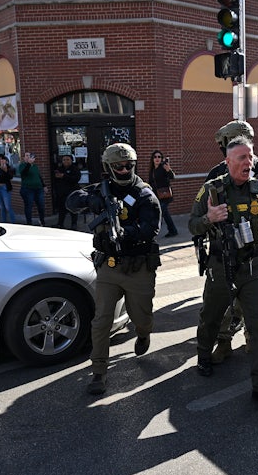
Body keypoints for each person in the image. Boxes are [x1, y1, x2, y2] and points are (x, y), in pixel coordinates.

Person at [189, 136, 258, 416]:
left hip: (253, 269)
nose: (248, 162)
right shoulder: (212, 189)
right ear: (228, 162)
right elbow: (192, 225)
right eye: (241, 158)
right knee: (211, 318)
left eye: (250, 157)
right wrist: (208, 219)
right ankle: (203, 355)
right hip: (220, 267)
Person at [66, 143, 162, 395]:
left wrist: (124, 233)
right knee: (101, 321)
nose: (124, 169)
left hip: (138, 268)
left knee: (141, 317)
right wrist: (93, 200)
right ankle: (99, 371)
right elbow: (71, 202)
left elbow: (151, 229)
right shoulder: (101, 189)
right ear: (108, 167)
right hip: (108, 267)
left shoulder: (144, 195)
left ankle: (143, 334)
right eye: (118, 166)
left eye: (128, 165)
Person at [204, 120, 258, 365]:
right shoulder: (217, 172)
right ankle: (224, 343)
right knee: (225, 304)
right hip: (224, 253)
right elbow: (205, 210)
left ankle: (251, 338)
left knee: (253, 303)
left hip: (255, 252)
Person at [148, 150, 178, 238]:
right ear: (152, 159)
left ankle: (153, 232)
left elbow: (172, 177)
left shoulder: (163, 168)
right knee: (165, 214)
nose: (157, 159)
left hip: (165, 195)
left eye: (159, 157)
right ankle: (173, 230)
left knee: (160, 212)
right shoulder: (152, 170)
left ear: (161, 159)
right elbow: (151, 183)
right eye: (155, 157)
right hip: (156, 195)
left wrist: (169, 170)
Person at [52, 154, 81, 229]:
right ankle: (60, 224)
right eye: (64, 160)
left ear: (71, 160)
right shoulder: (59, 169)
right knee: (62, 210)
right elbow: (55, 180)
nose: (66, 161)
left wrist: (64, 176)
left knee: (73, 209)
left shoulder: (75, 169)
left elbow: (76, 179)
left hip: (72, 193)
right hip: (62, 194)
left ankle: (74, 224)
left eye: (67, 159)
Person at [19, 152, 47, 226]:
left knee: (41, 205)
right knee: (29, 206)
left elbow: (39, 176)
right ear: (24, 158)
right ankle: (29, 223)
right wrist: (28, 164)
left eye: (30, 156)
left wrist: (44, 186)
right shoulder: (22, 165)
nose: (29, 157)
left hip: (38, 189)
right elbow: (23, 174)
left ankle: (42, 221)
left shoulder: (35, 166)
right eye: (27, 156)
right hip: (28, 189)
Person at [0, 154, 16, 223]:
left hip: (5, 188)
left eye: (1, 159)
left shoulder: (8, 168)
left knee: (8, 207)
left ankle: (13, 222)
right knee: (2, 208)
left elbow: (10, 177)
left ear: (5, 160)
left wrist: (5, 170)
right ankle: (4, 222)